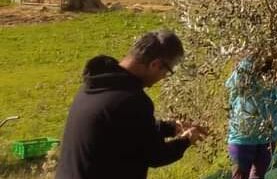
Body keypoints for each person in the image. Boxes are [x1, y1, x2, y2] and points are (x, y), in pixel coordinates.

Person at [56, 29, 206, 179]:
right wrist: (186, 140)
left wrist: (170, 128)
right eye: (167, 72)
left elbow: (125, 130)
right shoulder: (132, 100)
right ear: (155, 64)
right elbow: (155, 155)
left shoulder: (96, 86)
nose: (163, 77)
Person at [225, 53, 277, 179]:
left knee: (258, 176)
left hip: (267, 138)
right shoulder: (244, 72)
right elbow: (233, 90)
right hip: (242, 138)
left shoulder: (273, 75)